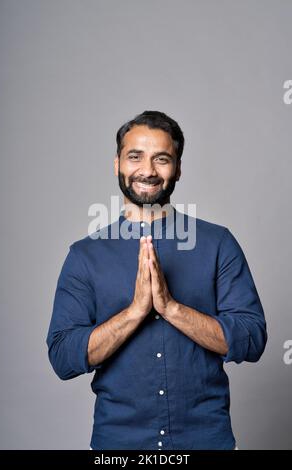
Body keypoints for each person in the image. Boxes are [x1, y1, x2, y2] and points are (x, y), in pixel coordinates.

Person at [46, 110, 267, 450]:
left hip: (206, 441)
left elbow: (252, 339)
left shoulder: (217, 243)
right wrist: (135, 311)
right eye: (135, 157)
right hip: (119, 446)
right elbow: (62, 357)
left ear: (177, 167)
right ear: (117, 163)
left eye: (161, 159)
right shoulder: (84, 256)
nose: (147, 171)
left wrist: (171, 308)